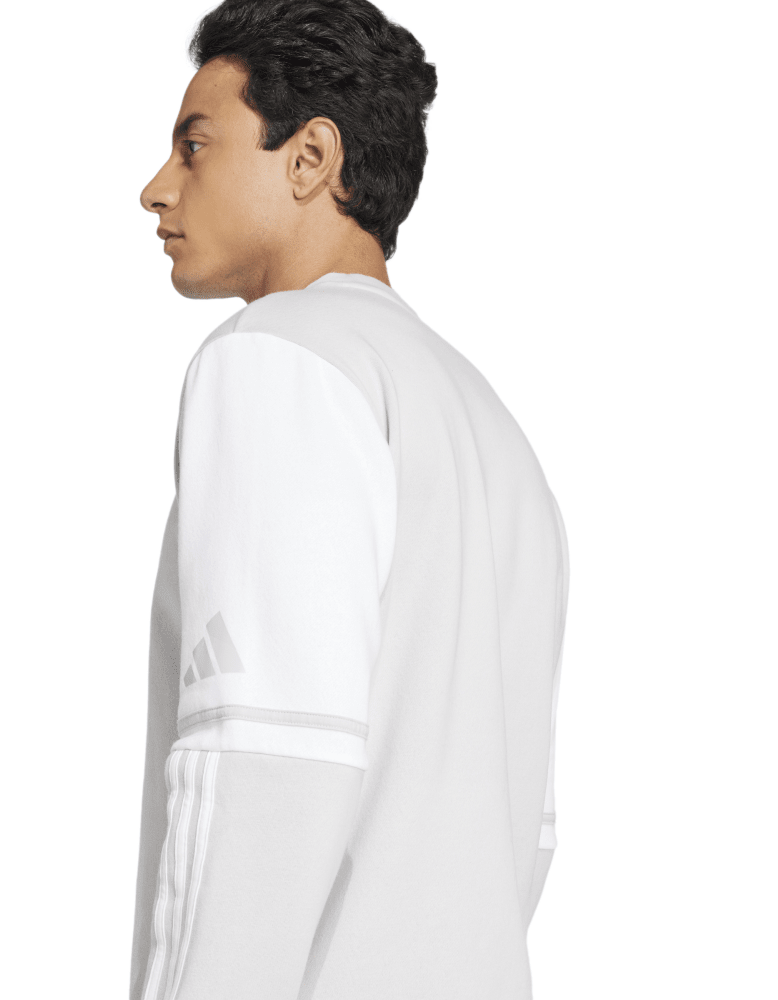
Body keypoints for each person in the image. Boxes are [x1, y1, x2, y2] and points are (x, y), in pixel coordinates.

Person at [131, 1, 569, 997]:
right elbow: (522, 824)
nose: (156, 188)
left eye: (194, 147)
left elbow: (259, 760)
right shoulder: (494, 436)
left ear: (310, 158)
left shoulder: (276, 360)